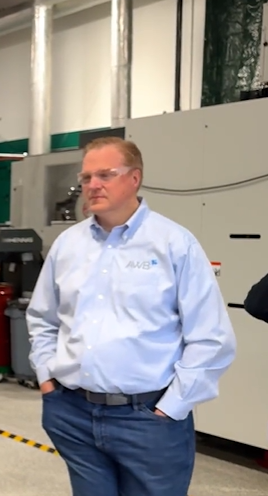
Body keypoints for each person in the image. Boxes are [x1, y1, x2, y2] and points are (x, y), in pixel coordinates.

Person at [26, 137, 237, 496]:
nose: (93, 185)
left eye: (106, 175)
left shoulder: (174, 244)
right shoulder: (69, 245)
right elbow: (43, 318)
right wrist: (47, 378)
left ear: (134, 178)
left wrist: (171, 408)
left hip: (148, 419)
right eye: (87, 177)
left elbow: (211, 337)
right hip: (74, 413)